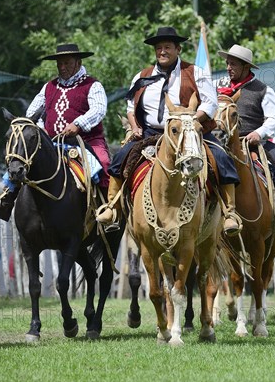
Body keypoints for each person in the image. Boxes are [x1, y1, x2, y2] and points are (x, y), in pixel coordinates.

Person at [96, 27, 241, 235]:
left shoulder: (195, 72)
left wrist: (189, 122)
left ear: (178, 49)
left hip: (190, 132)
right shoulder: (142, 75)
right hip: (149, 133)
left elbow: (210, 104)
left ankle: (229, 213)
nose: (162, 51)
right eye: (158, 48)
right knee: (120, 157)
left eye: (167, 47)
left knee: (220, 157)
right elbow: (130, 108)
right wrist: (135, 127)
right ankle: (112, 207)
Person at [0, 44, 111, 221]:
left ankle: (107, 210)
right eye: (60, 64)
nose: (62, 67)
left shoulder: (92, 85)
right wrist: (40, 128)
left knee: (103, 163)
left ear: (78, 62)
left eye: (67, 63)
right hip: (53, 143)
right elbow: (32, 112)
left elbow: (99, 109)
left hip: (86, 141)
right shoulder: (49, 87)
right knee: (21, 160)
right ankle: (6, 200)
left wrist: (77, 124)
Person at [215, 44, 275, 228]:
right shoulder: (218, 86)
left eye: (233, 64)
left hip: (251, 141)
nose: (229, 67)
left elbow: (273, 119)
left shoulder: (263, 90)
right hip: (219, 141)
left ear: (246, 67)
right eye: (228, 63)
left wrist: (258, 133)